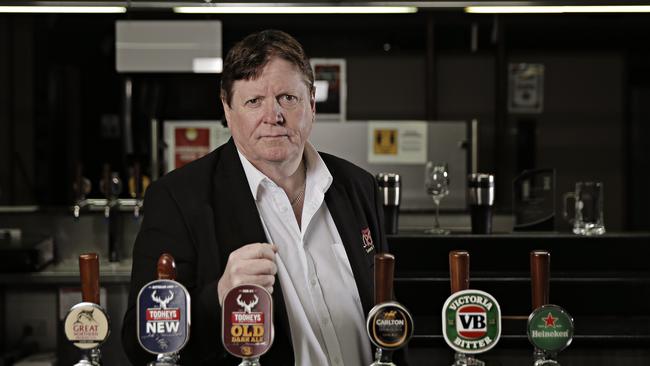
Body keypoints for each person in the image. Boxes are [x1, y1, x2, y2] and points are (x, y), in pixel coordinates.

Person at [122, 29, 407, 365]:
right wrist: (220, 295)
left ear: (312, 104)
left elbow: (385, 316)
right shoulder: (177, 199)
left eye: (288, 97)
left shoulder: (357, 187)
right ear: (227, 110)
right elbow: (141, 345)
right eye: (254, 101)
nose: (273, 116)